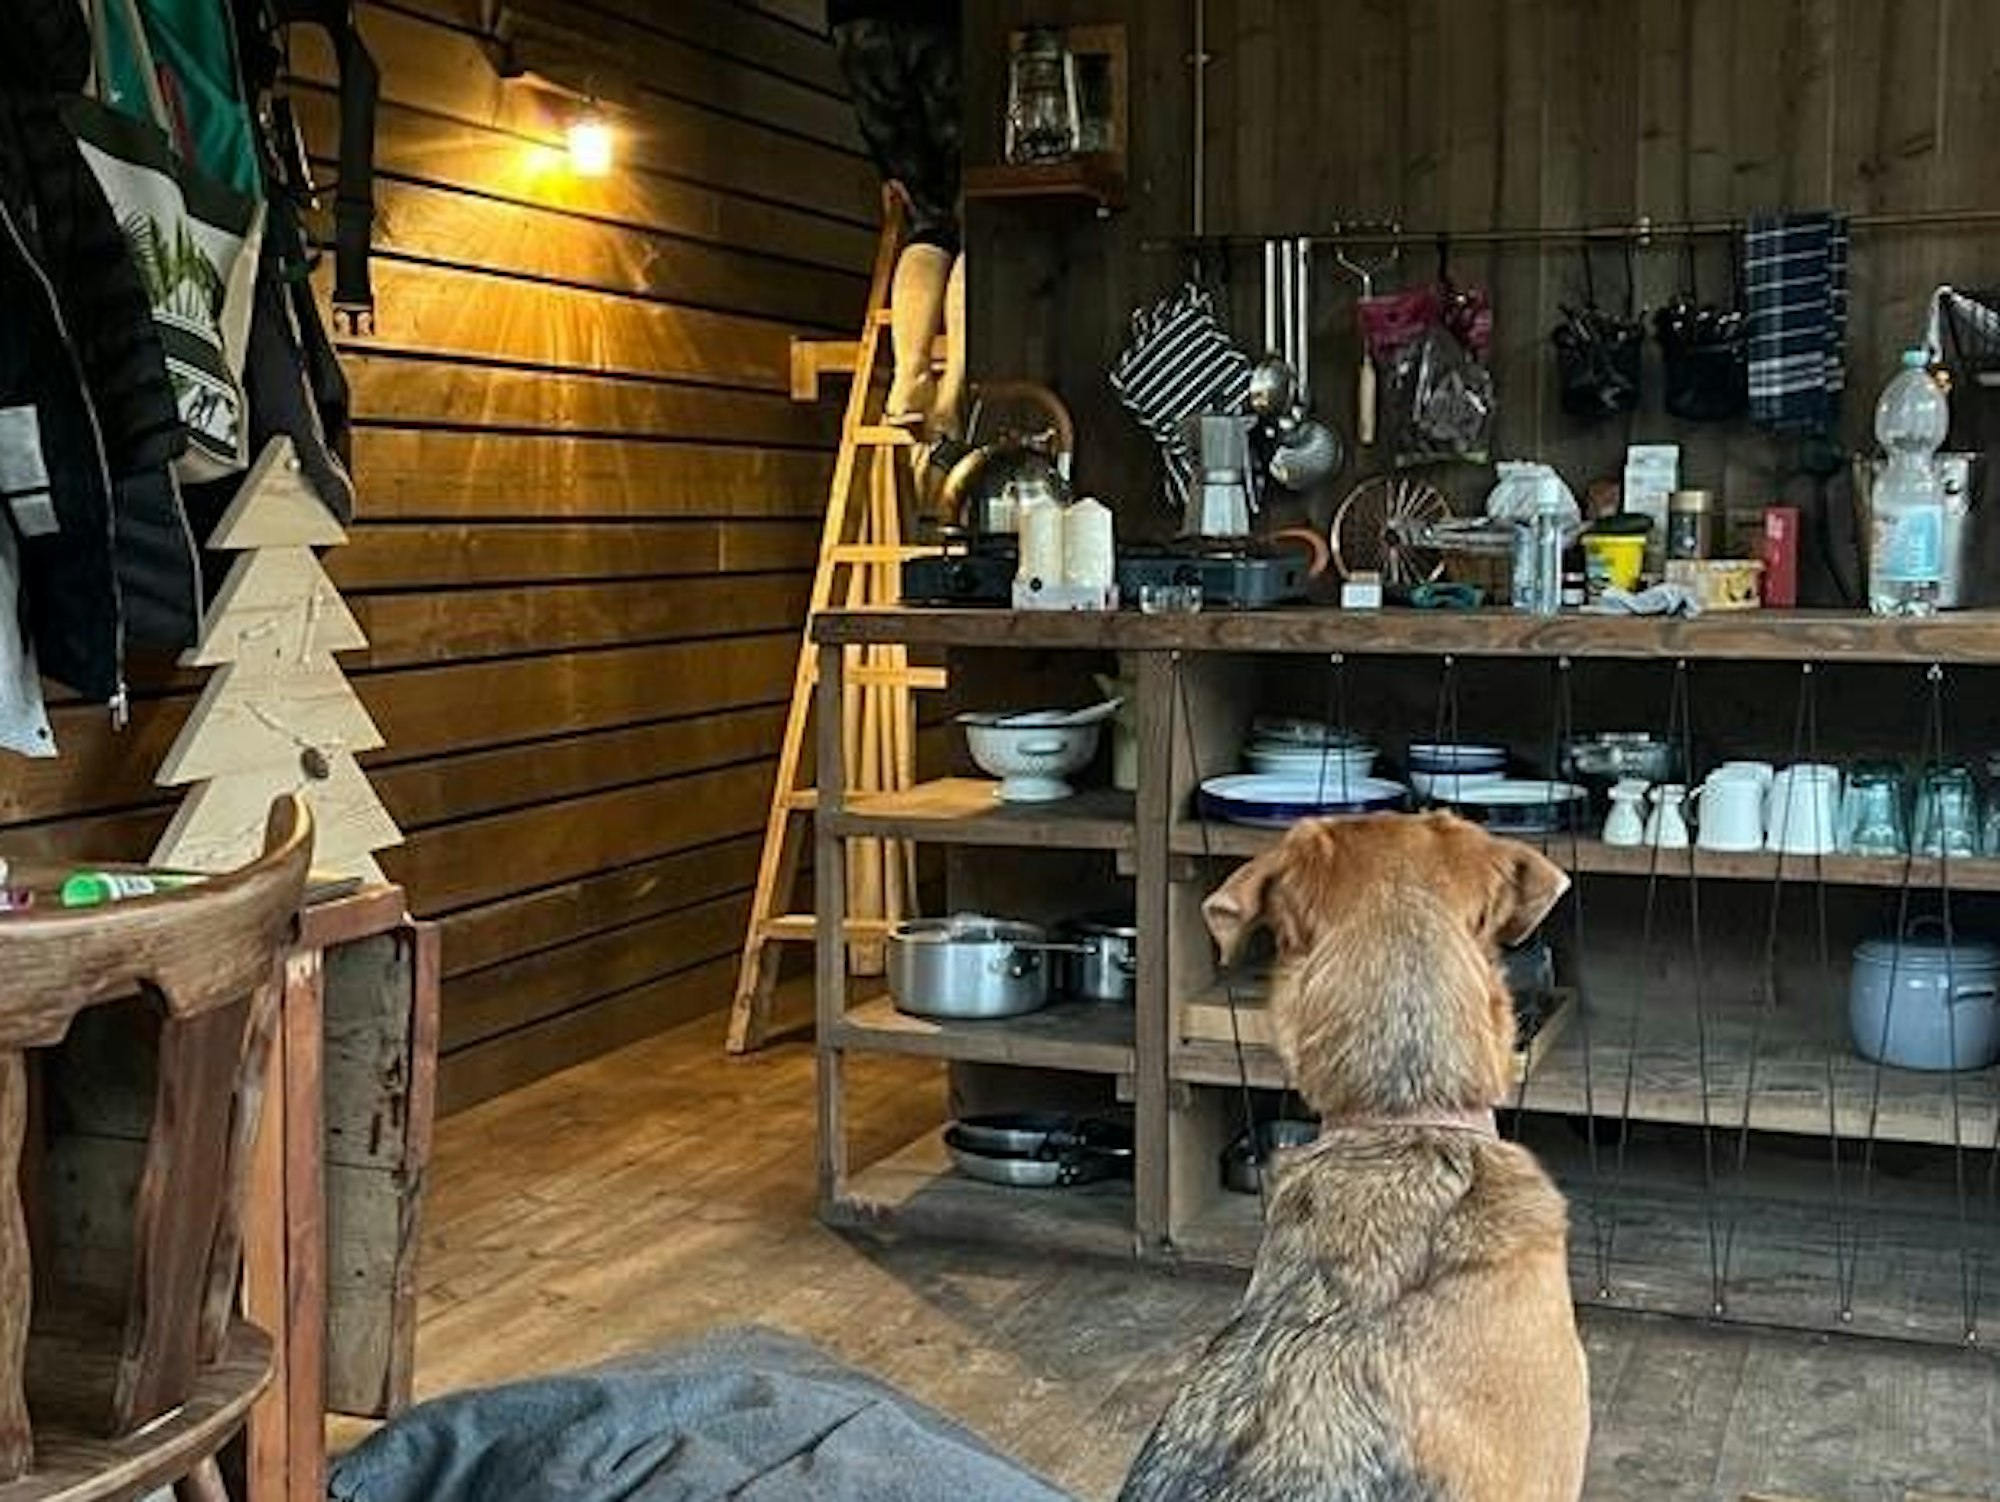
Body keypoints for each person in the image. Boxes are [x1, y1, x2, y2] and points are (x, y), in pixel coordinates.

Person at [829, 0, 964, 439]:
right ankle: (950, 396)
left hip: (857, 27)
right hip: (938, 24)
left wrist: (885, 166)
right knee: (978, 216)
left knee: (929, 217)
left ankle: (909, 379)